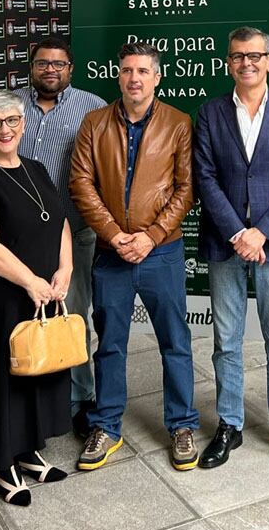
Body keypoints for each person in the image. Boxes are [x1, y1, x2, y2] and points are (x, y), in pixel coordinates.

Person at [70, 41, 199, 472]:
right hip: (111, 254)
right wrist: (114, 234)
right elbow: (82, 183)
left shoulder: (179, 123)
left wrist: (151, 236)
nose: (134, 78)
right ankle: (106, 426)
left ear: (157, 76)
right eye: (127, 70)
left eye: (143, 70)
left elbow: (186, 189)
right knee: (108, 345)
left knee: (175, 343)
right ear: (118, 75)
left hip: (161, 252)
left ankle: (181, 424)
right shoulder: (94, 123)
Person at [193, 27, 269, 470]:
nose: (247, 63)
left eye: (255, 55)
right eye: (238, 56)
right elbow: (204, 178)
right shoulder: (208, 113)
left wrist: (260, 232)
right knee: (226, 341)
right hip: (225, 243)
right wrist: (237, 233)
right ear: (229, 62)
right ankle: (229, 424)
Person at [0, 90, 75, 506]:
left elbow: (58, 221)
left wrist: (65, 270)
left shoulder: (37, 168)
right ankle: (2, 461)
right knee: (1, 377)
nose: (5, 130)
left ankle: (27, 449)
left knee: (34, 371)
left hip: (39, 291)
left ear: (23, 125)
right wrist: (30, 281)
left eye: (11, 121)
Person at [13, 36, 107, 435]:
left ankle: (80, 399)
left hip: (76, 232)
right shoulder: (10, 107)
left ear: (71, 69)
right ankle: (29, 398)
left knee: (73, 315)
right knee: (26, 318)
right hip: (18, 236)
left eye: (58, 64)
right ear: (31, 68)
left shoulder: (93, 108)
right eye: (42, 63)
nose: (50, 69)